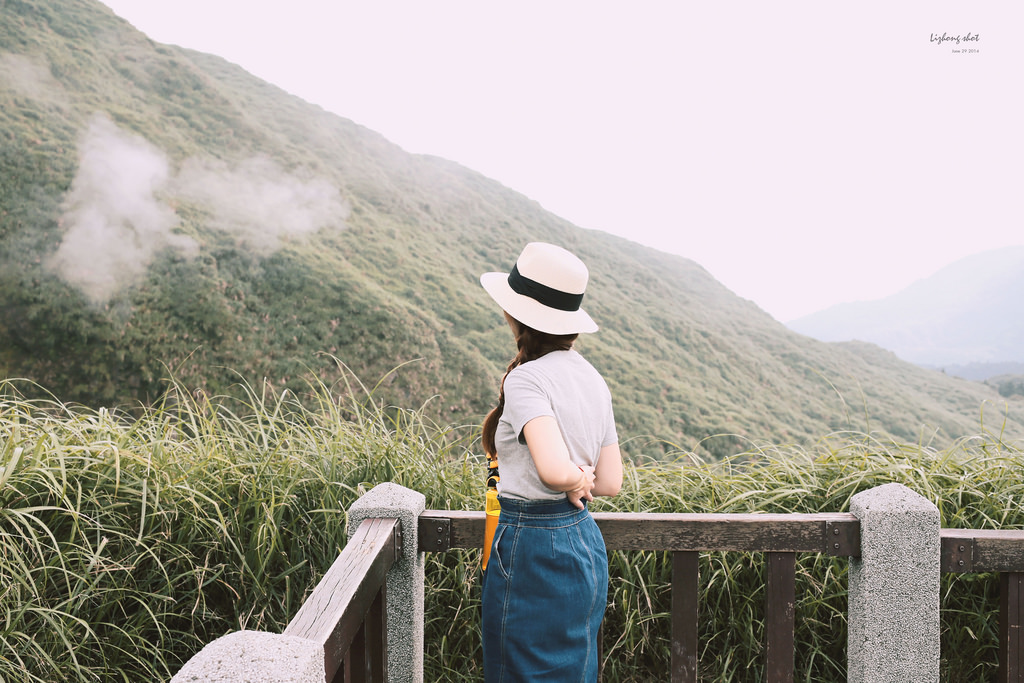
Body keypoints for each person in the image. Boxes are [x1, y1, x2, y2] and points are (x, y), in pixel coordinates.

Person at [479, 241, 623, 683]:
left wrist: (572, 475)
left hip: (532, 544)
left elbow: (554, 471)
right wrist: (583, 478)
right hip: (583, 540)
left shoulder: (526, 378)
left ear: (514, 314)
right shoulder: (592, 379)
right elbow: (611, 481)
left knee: (520, 672)